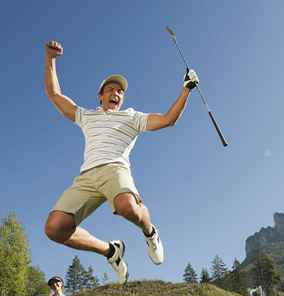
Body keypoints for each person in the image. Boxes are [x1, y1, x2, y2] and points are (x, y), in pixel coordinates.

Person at [43, 40, 199, 283]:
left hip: (115, 170)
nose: (116, 94)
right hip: (86, 177)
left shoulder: (132, 117)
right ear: (101, 95)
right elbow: (55, 95)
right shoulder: (86, 115)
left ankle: (150, 232)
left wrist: (186, 89)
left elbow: (168, 119)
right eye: (111, 90)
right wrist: (50, 59)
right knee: (54, 228)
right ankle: (111, 251)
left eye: (120, 91)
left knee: (126, 206)